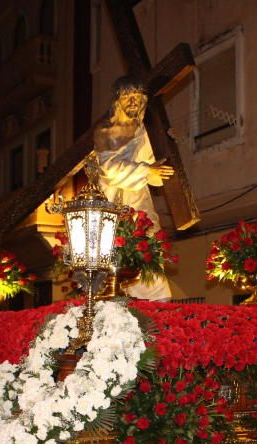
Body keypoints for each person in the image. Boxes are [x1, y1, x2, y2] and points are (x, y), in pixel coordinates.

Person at [94, 75, 174, 301]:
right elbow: (108, 168)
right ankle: (115, 292)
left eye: (138, 97)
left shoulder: (147, 134)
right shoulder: (105, 131)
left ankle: (157, 300)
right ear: (117, 101)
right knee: (116, 248)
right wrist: (147, 171)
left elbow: (156, 177)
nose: (134, 102)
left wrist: (165, 157)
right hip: (114, 200)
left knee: (149, 242)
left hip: (139, 198)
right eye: (128, 96)